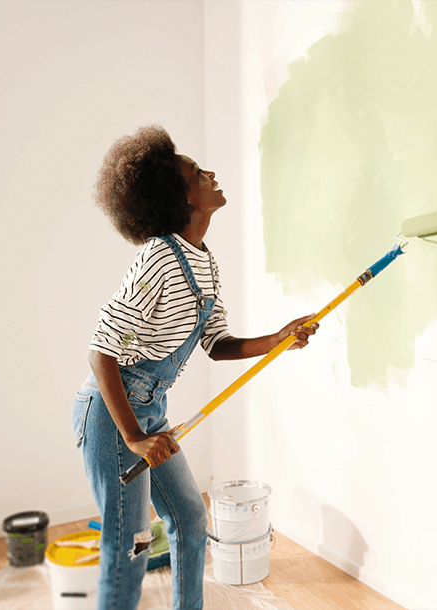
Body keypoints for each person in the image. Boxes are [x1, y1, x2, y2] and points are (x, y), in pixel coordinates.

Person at [72, 125, 318, 610]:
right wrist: (134, 437)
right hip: (111, 414)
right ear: (179, 196)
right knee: (130, 548)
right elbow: (102, 351)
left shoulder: (204, 261)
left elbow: (217, 344)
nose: (210, 173)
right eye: (196, 172)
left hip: (150, 411)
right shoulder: (159, 257)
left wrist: (280, 339)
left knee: (188, 519)